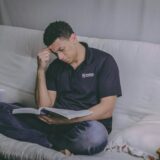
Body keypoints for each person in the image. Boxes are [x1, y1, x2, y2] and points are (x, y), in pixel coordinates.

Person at [0, 21, 121, 155]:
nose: (60, 57)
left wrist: (64, 120)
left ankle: (46, 141)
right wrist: (40, 70)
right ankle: (53, 143)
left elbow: (107, 109)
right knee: (2, 110)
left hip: (84, 126)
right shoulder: (56, 66)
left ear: (73, 38)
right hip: (54, 124)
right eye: (54, 53)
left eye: (61, 50)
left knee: (95, 136)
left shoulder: (104, 61)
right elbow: (44, 106)